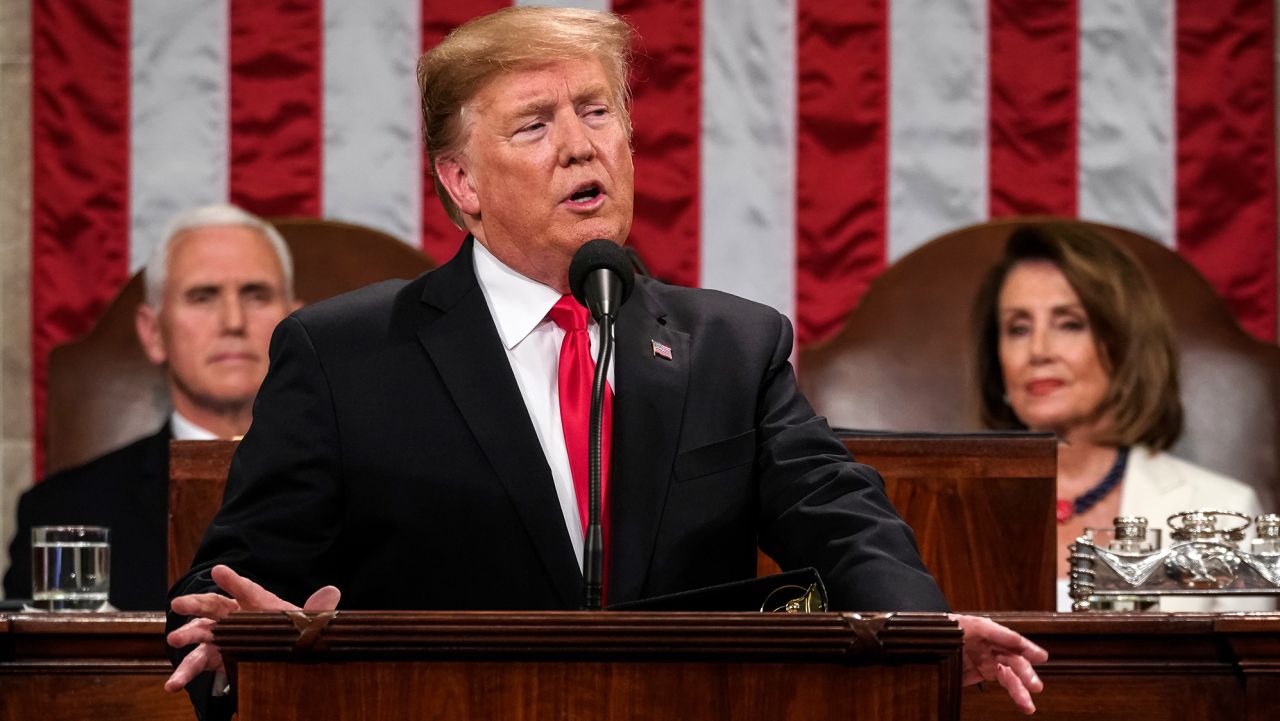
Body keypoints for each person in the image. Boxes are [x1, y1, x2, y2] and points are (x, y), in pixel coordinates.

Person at [165, 7, 1046, 717]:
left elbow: (841, 518)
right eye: (535, 125)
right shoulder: (345, 354)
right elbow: (224, 587)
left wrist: (924, 632)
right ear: (462, 184)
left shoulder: (735, 347)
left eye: (596, 112)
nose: (581, 146)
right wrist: (249, 641)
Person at [2, 204, 297, 610]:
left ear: (296, 326)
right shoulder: (63, 511)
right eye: (202, 296)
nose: (233, 321)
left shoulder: (368, 492)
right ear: (153, 332)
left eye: (256, 295)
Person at [972, 222, 1272, 612]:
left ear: (1125, 345)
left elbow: (1247, 671)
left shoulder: (1223, 510)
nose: (1038, 351)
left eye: (1069, 324)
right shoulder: (947, 514)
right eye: (1018, 328)